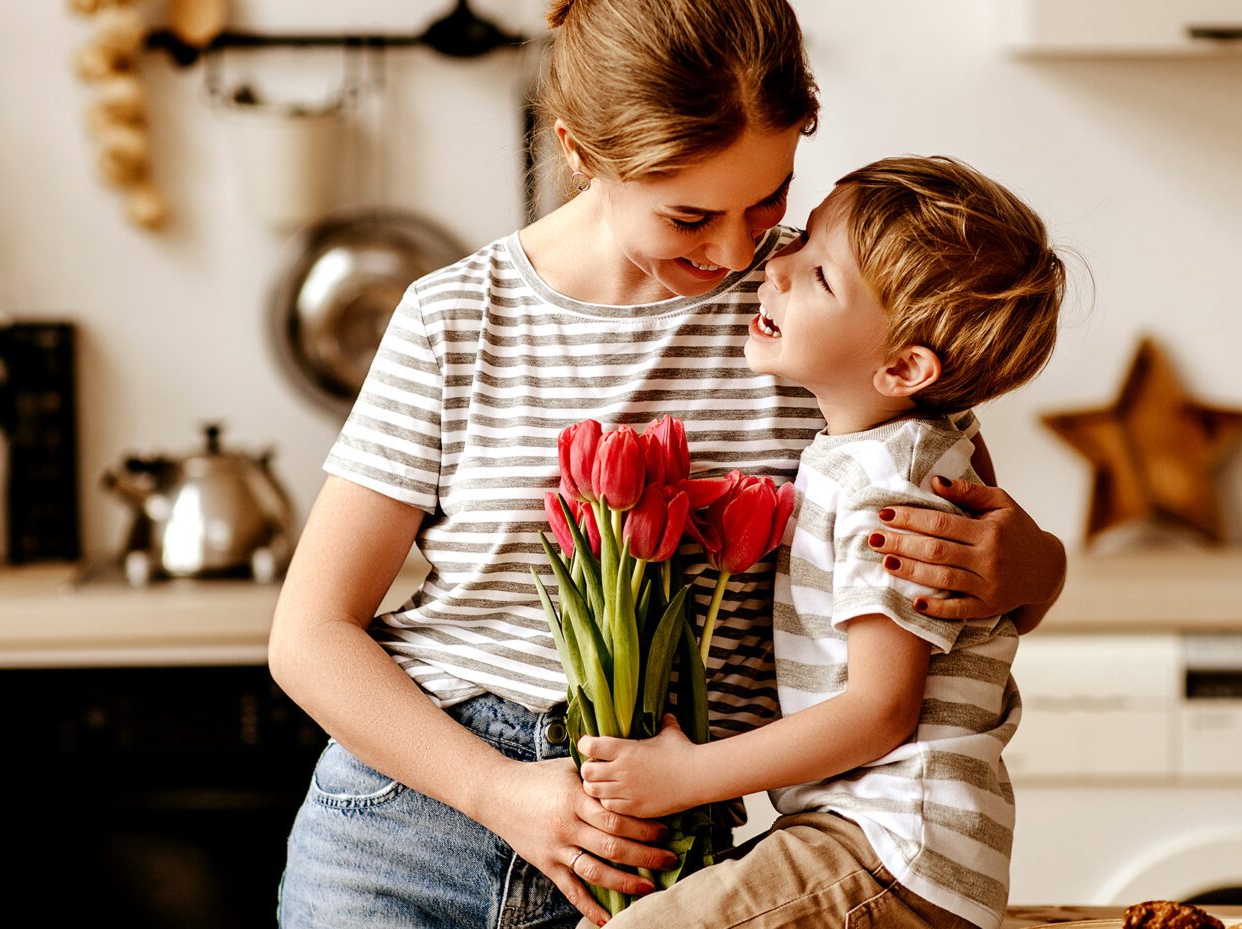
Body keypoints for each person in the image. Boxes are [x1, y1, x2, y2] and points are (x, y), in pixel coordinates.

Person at [266, 1, 1068, 926]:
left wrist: (1033, 564)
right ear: (578, 151)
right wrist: (501, 793)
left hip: (662, 855)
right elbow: (310, 634)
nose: (737, 250)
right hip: (410, 833)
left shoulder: (820, 312)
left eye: (769, 199)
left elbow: (962, 558)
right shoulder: (455, 319)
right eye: (689, 214)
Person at [577, 155, 1065, 929]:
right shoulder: (923, 443)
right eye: (799, 239)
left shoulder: (888, 487)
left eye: (819, 276)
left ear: (904, 365)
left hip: (889, 844)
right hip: (878, 839)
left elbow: (879, 711)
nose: (776, 262)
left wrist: (685, 778)